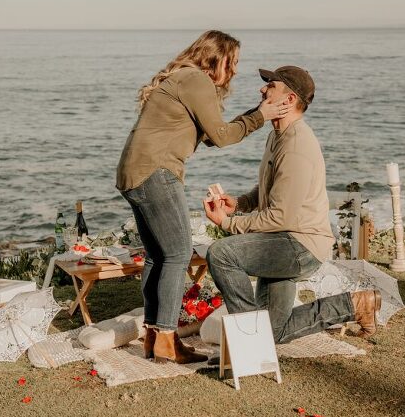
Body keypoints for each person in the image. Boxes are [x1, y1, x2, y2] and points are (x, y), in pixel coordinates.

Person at [116, 30, 291, 364]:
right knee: (177, 254)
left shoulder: (184, 78)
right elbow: (223, 137)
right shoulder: (196, 80)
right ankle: (166, 338)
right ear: (217, 57)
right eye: (233, 62)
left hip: (134, 171)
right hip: (156, 171)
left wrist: (258, 112)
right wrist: (263, 115)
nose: (235, 70)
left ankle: (153, 334)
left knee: (158, 255)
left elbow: (212, 136)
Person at [203, 65, 381, 346]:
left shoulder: (296, 145)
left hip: (298, 245)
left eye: (270, 86)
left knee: (222, 254)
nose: (262, 89)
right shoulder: (277, 135)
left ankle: (248, 340)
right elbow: (271, 187)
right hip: (281, 240)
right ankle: (356, 305)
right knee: (274, 331)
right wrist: (239, 203)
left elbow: (280, 216)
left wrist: (227, 223)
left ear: (289, 100)